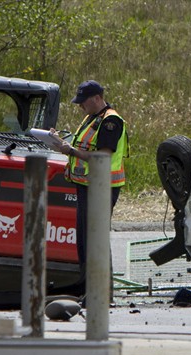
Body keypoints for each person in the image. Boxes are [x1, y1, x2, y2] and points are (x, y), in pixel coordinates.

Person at [51, 80, 128, 297]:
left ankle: (103, 293)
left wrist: (71, 152)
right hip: (86, 186)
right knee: (84, 239)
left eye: (83, 102)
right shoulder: (91, 118)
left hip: (103, 187)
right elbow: (84, 146)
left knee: (96, 239)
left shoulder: (111, 121)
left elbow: (103, 156)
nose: (80, 107)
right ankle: (88, 289)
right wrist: (58, 141)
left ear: (96, 98)